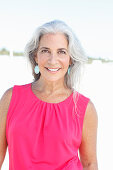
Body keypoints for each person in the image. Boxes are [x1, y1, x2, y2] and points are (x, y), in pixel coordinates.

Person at [0, 20, 98, 170]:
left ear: (70, 59)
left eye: (61, 52)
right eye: (45, 50)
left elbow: (90, 164)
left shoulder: (84, 108)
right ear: (35, 56)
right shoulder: (10, 98)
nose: (53, 60)